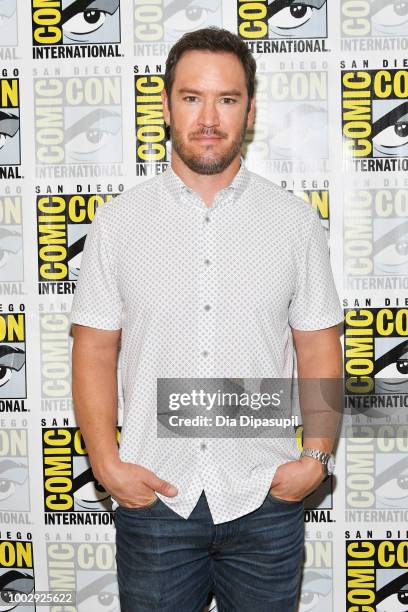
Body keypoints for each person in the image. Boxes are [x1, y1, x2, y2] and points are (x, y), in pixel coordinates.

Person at [70, 26, 343, 612]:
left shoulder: (293, 222)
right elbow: (93, 350)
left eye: (227, 98)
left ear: (249, 108)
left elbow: (320, 346)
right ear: (167, 105)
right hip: (156, 501)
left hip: (264, 500)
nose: (209, 117)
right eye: (192, 97)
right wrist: (106, 464)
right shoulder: (119, 224)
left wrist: (316, 458)